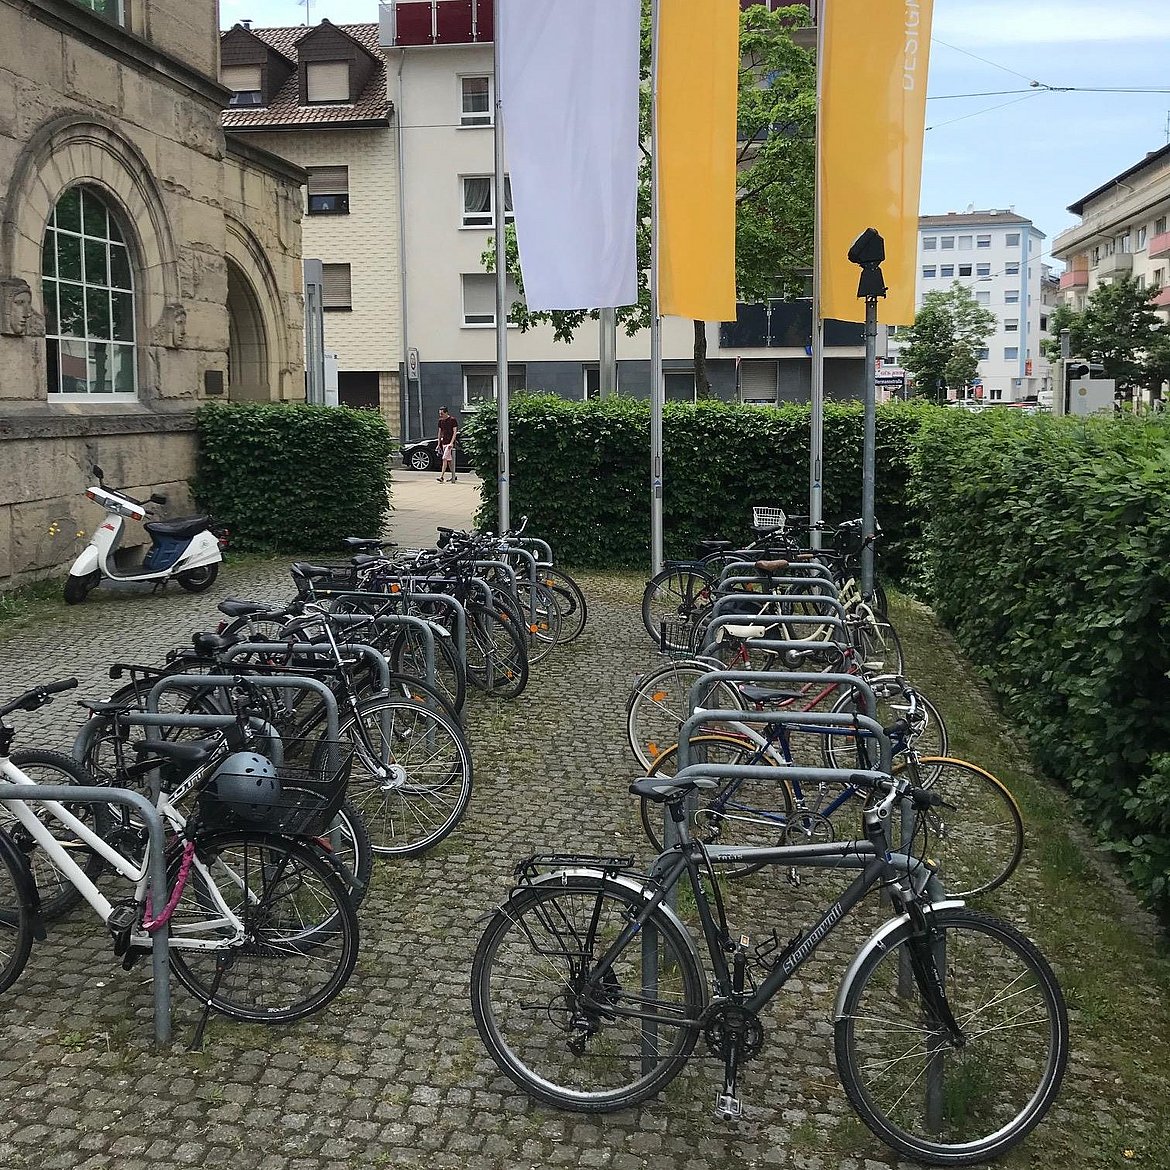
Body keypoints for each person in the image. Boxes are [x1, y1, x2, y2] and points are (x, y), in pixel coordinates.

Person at [436, 407, 459, 482]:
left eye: (442, 413)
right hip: (444, 442)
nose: (440, 415)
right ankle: (453, 475)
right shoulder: (440, 421)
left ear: (446, 413)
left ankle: (441, 476)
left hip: (450, 443)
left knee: (444, 458)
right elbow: (439, 432)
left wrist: (451, 443)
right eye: (439, 413)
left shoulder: (452, 420)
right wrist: (439, 443)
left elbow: (455, 432)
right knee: (449, 461)